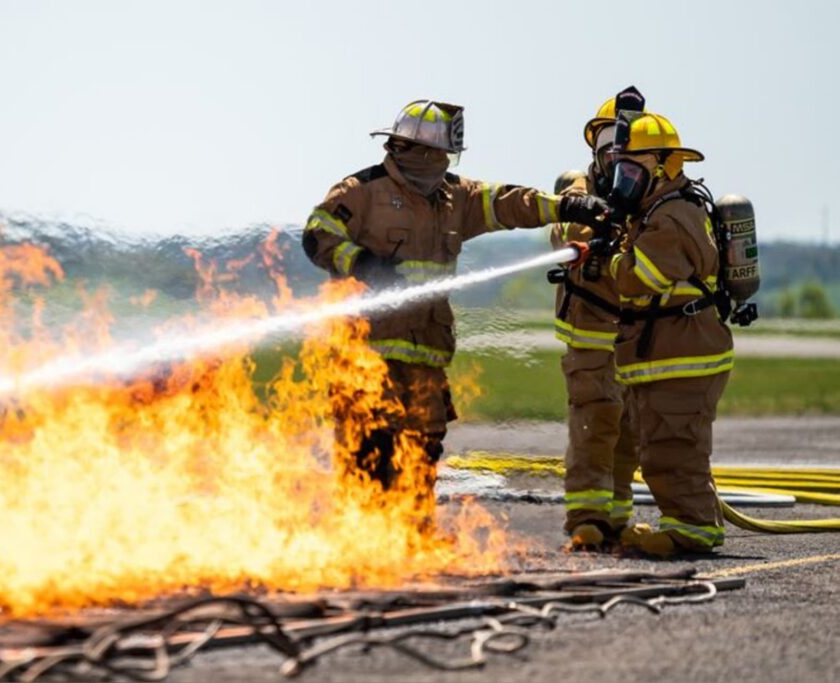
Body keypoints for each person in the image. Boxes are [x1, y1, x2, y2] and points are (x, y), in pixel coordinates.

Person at [303, 99, 608, 499]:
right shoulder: (363, 192)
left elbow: (509, 203)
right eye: (436, 155)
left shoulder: (455, 198)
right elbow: (317, 234)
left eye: (447, 157)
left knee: (423, 453)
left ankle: (413, 544)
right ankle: (365, 544)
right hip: (366, 356)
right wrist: (361, 263)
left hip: (427, 354)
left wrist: (567, 206)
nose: (442, 165)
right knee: (369, 453)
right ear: (407, 149)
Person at [572, 111, 733, 556]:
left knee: (674, 447)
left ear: (664, 166)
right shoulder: (655, 209)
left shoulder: (675, 216)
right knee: (657, 445)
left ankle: (693, 529)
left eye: (631, 169)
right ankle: (685, 521)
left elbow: (640, 277)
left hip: (684, 355)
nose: (621, 180)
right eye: (619, 168)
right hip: (662, 354)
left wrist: (607, 259)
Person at [550, 90, 646, 550]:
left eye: (626, 142)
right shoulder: (580, 192)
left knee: (630, 427)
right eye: (610, 141)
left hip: (637, 336)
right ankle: (586, 517)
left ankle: (618, 515)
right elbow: (564, 234)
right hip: (591, 333)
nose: (618, 152)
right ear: (595, 146)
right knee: (595, 422)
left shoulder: (651, 193)